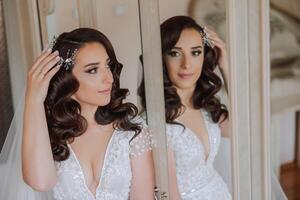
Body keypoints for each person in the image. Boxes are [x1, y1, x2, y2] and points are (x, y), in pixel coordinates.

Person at [0, 28, 155, 200]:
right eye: (93, 70)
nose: (109, 78)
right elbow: (40, 183)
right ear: (66, 79)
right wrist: (34, 98)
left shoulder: (131, 131)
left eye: (108, 66)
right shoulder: (51, 133)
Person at [139, 16, 231, 199]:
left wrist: (225, 66)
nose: (186, 64)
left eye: (195, 52)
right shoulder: (155, 122)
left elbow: (239, 129)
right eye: (175, 53)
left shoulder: (205, 105)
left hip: (220, 192)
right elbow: (169, 193)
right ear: (161, 58)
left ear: (205, 56)